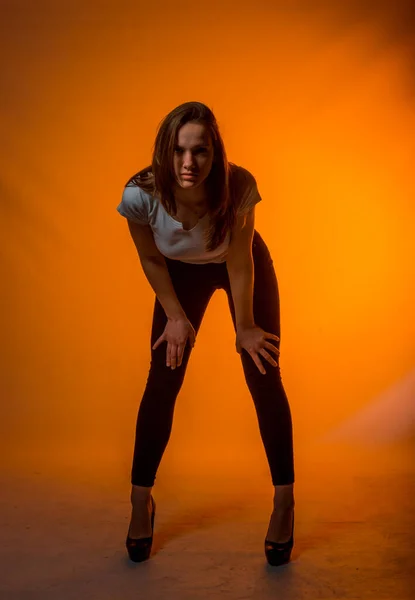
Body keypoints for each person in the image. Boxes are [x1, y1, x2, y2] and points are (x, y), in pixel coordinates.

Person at [116, 101, 295, 566]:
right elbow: (151, 258)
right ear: (165, 151)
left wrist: (246, 326)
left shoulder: (238, 186)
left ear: (216, 154)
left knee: (263, 372)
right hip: (177, 274)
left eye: (200, 151)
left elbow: (238, 260)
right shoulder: (140, 195)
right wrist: (175, 315)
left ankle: (284, 502)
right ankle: (140, 502)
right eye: (178, 151)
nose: (188, 164)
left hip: (237, 265)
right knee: (163, 378)